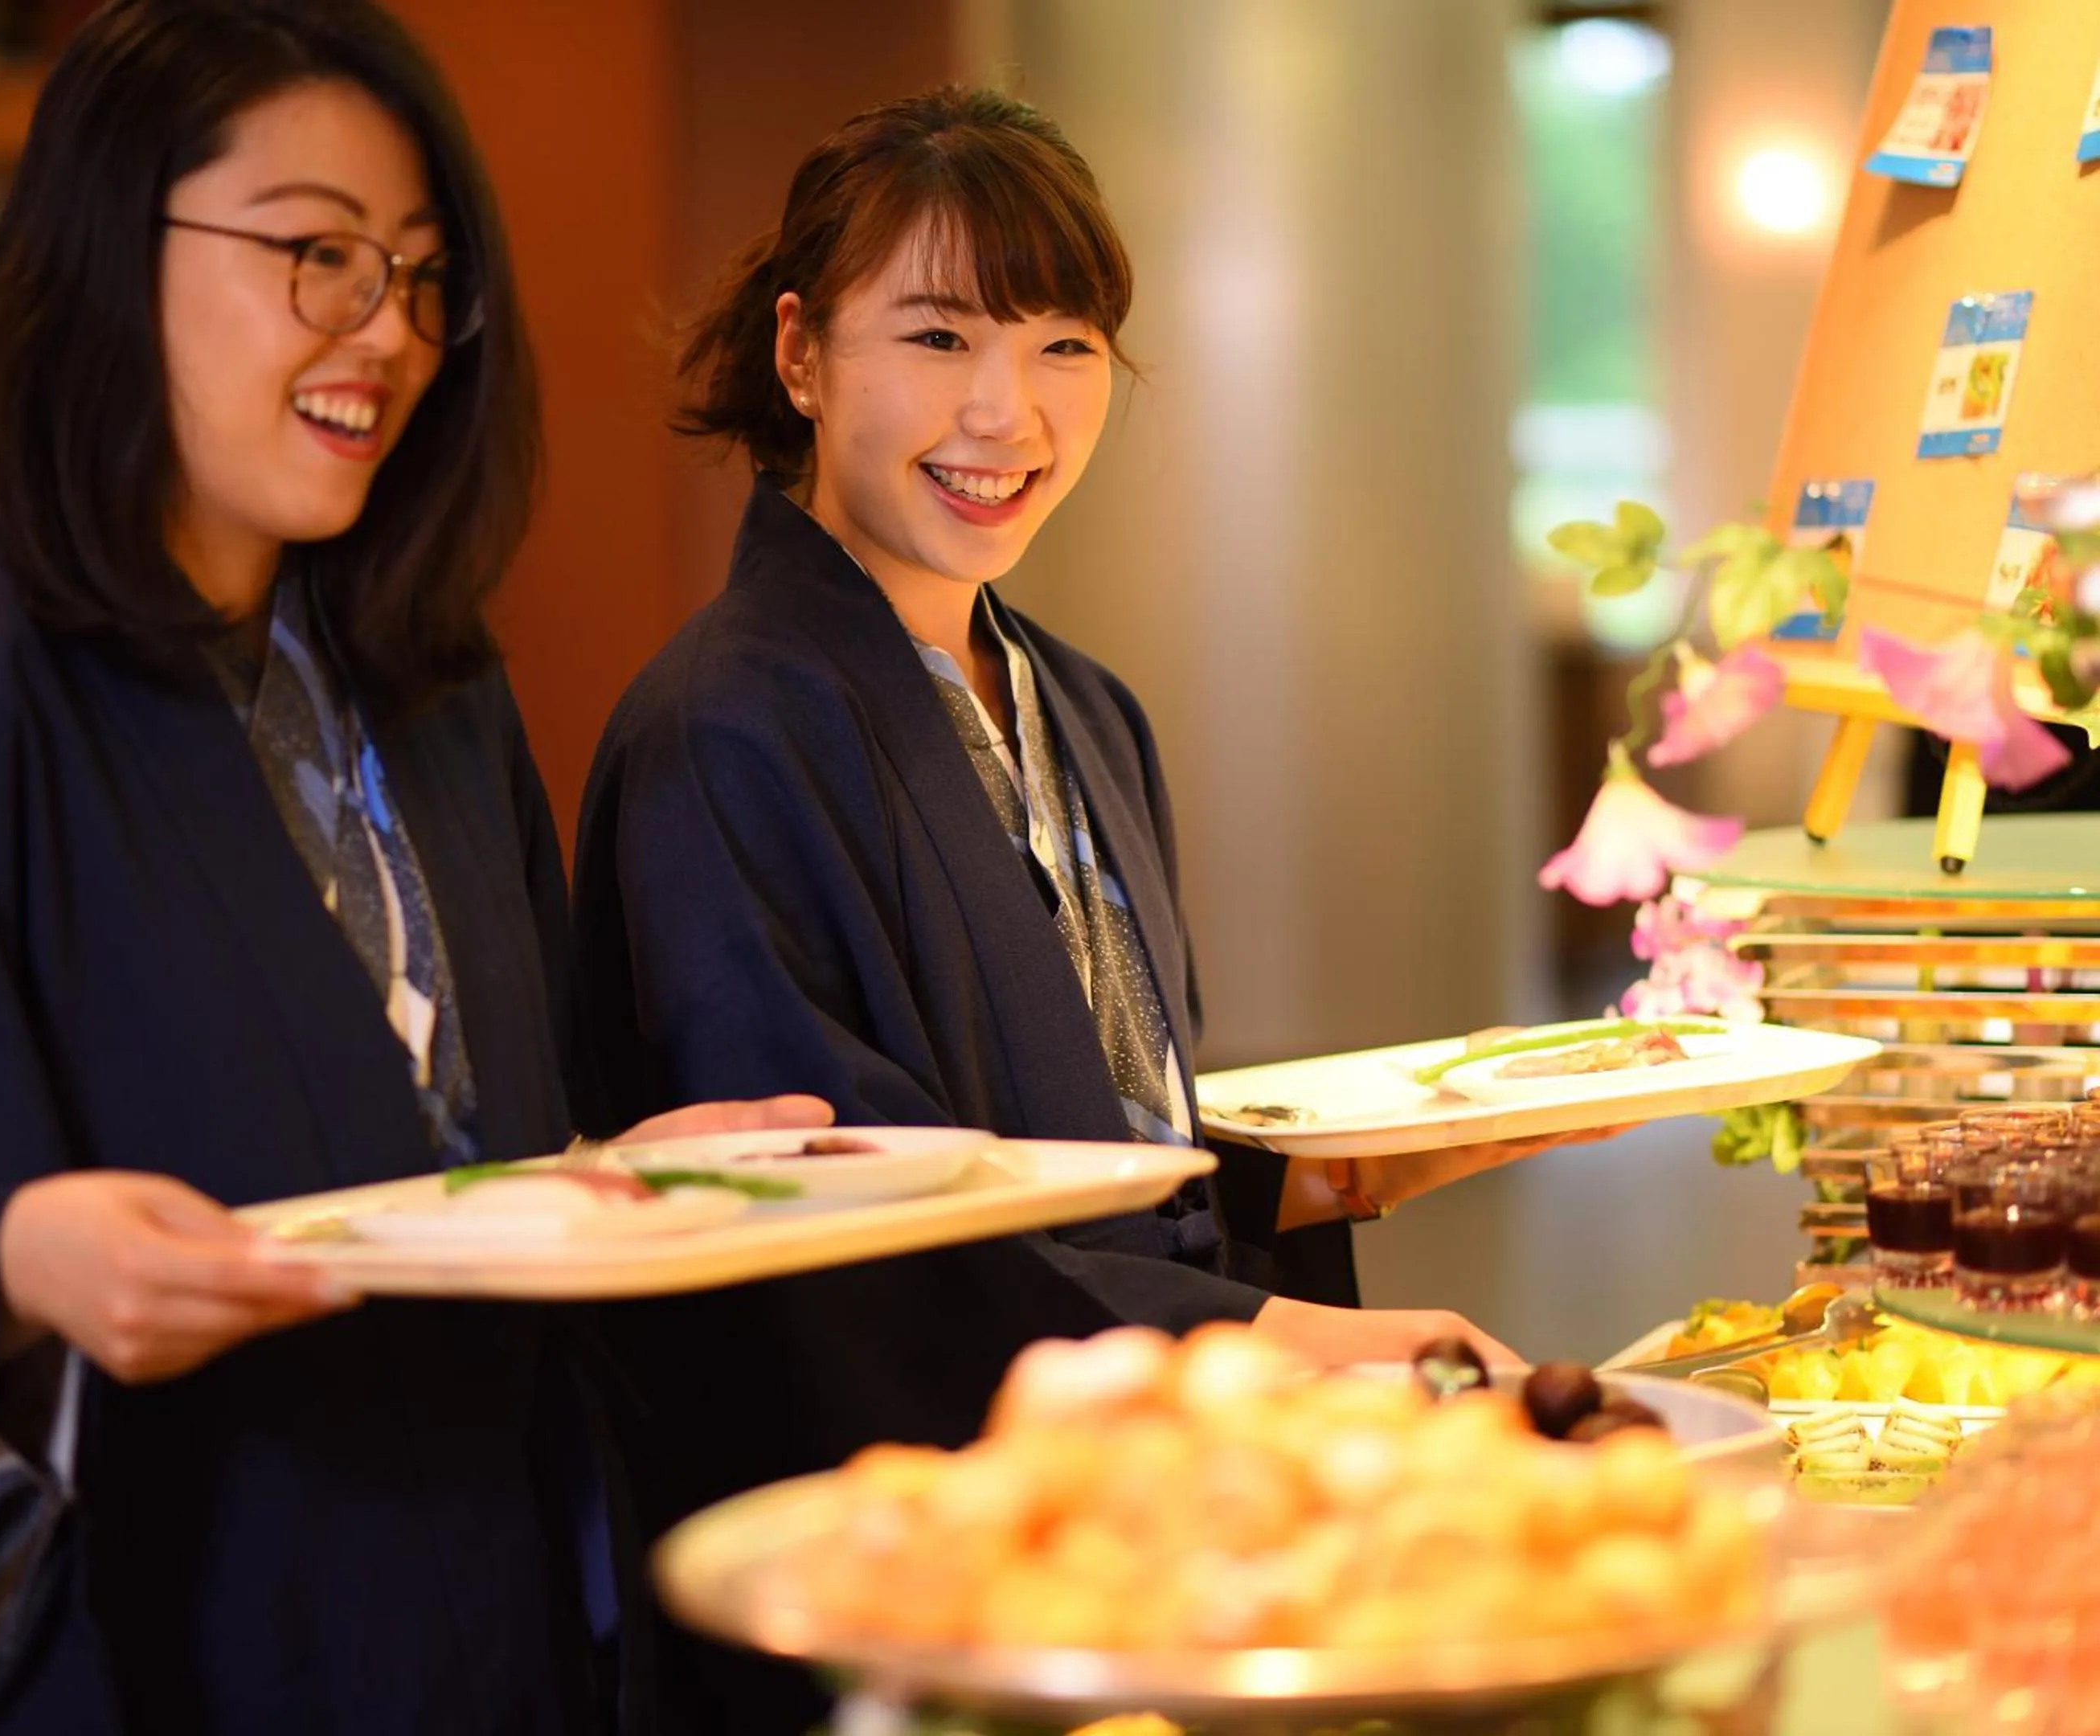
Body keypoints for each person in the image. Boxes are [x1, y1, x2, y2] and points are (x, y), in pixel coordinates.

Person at [0, 3, 817, 1732]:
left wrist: (592, 1173)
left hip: (497, 1624)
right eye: (318, 255)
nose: (387, 335)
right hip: (198, 1650)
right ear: (113, 252)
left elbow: (410, 1142)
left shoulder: (431, 686)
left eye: (420, 277)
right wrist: (15, 1262)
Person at [571, 86, 1578, 1732]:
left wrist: (1321, 1181)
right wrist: (1277, 1347)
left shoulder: (1083, 707)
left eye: (1061, 345)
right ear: (801, 356)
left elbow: (1114, 1144)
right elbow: (830, 1244)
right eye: (940, 336)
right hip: (910, 1573)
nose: (1006, 413)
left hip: (1137, 1533)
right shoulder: (724, 727)